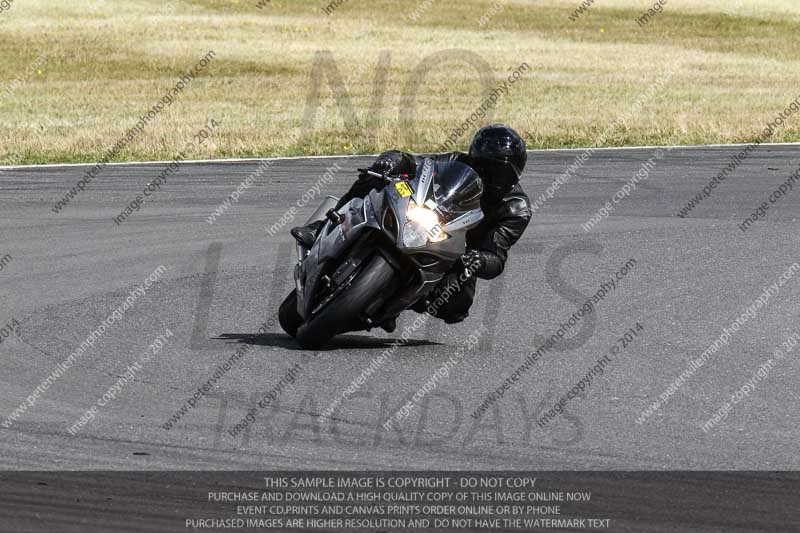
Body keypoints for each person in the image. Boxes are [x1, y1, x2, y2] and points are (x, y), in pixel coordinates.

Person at [291, 124, 532, 327]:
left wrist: (478, 259)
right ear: (473, 158)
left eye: (499, 172)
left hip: (455, 251)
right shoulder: (456, 162)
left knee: (455, 307)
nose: (489, 176)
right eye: (483, 167)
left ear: (514, 175)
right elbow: (417, 163)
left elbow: (497, 257)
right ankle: (320, 227)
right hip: (421, 217)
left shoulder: (516, 209)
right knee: (375, 178)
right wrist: (391, 161)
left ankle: (394, 302)